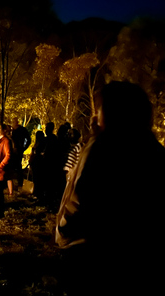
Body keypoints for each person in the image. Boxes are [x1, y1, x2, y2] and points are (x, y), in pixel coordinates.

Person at [56, 81, 165, 296]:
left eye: (98, 110)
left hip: (93, 252)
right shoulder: (154, 149)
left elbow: (82, 197)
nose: (93, 117)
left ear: (115, 111)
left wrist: (64, 229)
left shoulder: (103, 148)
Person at [11, 117, 31, 189]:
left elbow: (28, 139)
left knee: (18, 167)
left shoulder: (22, 130)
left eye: (14, 122)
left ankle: (20, 183)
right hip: (11, 151)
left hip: (18, 150)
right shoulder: (12, 130)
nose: (12, 123)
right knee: (11, 167)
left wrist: (23, 148)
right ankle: (11, 183)